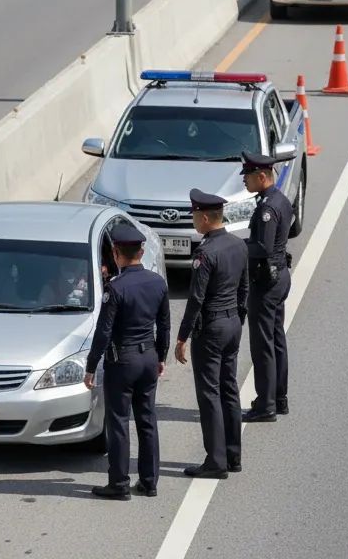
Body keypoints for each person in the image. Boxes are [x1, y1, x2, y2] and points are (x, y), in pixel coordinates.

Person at [84, 224, 170, 501]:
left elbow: (104, 331)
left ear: (116, 252)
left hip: (123, 361)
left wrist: (90, 365)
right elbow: (164, 325)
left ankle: (119, 483)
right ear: (142, 251)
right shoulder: (158, 283)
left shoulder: (116, 288)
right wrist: (161, 356)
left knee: (119, 421)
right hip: (149, 357)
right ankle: (149, 481)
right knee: (147, 420)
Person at [174, 189, 249, 479]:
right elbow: (244, 289)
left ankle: (215, 461)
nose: (193, 220)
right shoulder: (238, 245)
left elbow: (196, 299)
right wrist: (238, 318)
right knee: (229, 388)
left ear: (205, 218)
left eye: (194, 215)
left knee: (209, 394)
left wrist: (182, 337)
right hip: (232, 324)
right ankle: (233, 455)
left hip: (212, 329)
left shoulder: (205, 253)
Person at [240, 152, 293, 423]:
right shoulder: (279, 200)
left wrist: (237, 246)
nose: (245, 182)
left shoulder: (267, 208)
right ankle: (279, 398)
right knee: (276, 340)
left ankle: (266, 405)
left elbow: (263, 246)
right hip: (280, 276)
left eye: (248, 177)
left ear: (262, 176)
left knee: (263, 345)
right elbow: (291, 230)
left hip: (266, 281)